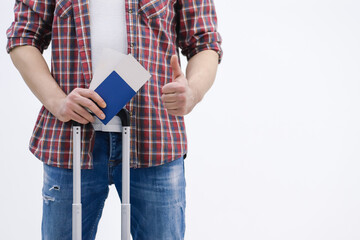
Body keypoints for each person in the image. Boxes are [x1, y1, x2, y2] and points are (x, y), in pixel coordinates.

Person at [7, 0, 222, 239]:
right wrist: (57, 102)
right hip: (72, 139)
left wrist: (193, 92)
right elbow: (22, 38)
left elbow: (205, 42)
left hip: (155, 138)